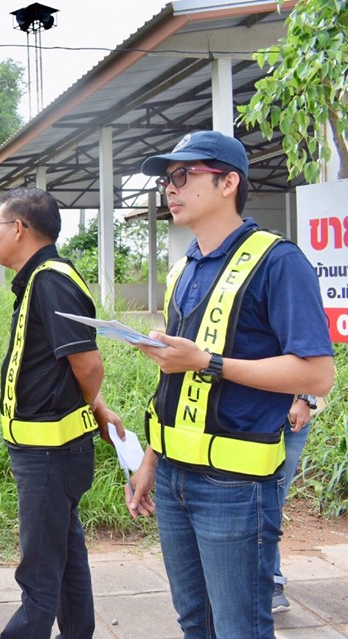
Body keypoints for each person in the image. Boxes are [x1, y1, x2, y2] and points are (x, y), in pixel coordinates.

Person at [127, 130, 334, 639]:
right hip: (174, 477)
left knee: (240, 628)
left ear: (228, 183)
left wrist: (209, 362)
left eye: (183, 175)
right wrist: (152, 459)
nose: (170, 188)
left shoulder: (278, 262)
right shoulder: (184, 269)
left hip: (235, 486)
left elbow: (317, 373)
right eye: (166, 179)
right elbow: (175, 380)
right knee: (195, 623)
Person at [0, 188, 123, 639]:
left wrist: (94, 401)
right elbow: (66, 368)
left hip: (50, 453)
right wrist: (97, 406)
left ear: (18, 228)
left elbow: (88, 365)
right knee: (65, 562)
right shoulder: (40, 279)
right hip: (48, 451)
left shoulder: (51, 280)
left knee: (40, 574)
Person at [272, 393, 315, 612]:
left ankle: (271, 579)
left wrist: (306, 400)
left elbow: (318, 371)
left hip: (291, 416)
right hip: (243, 415)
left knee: (274, 499)